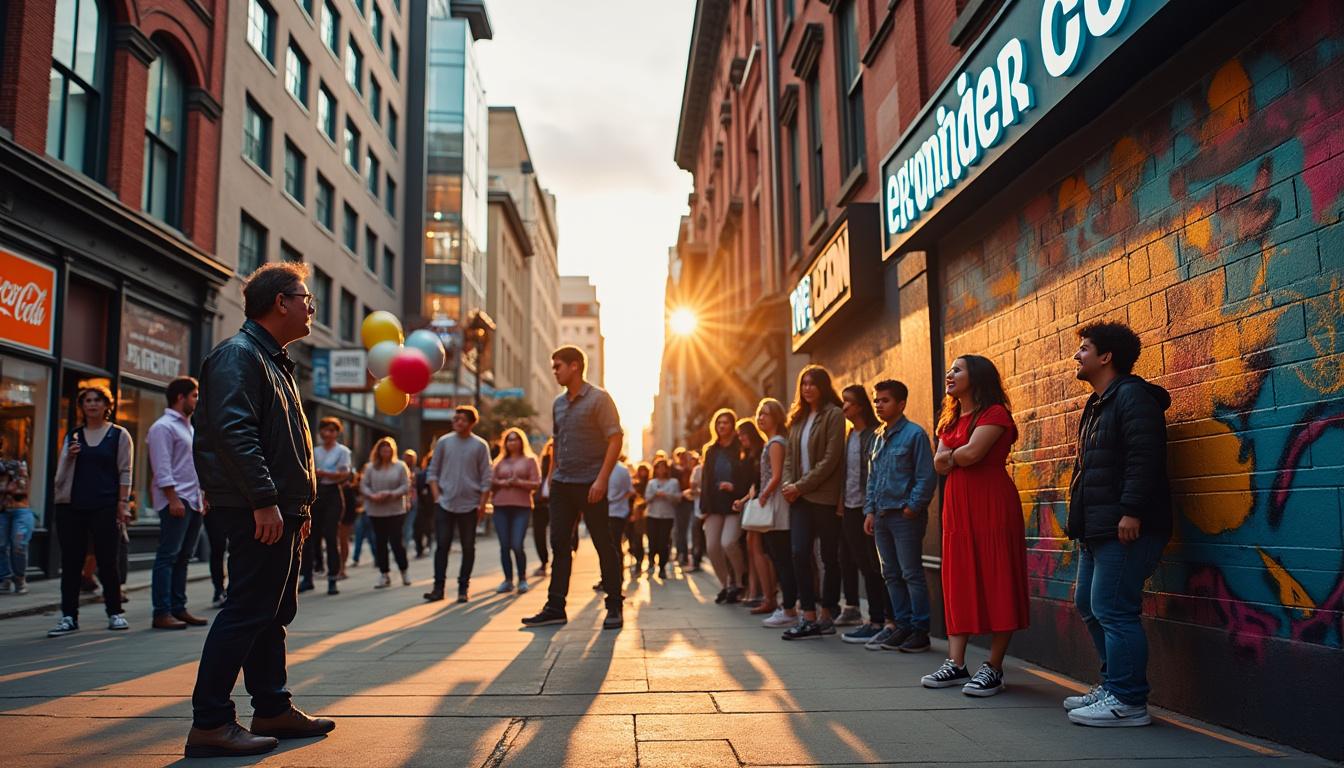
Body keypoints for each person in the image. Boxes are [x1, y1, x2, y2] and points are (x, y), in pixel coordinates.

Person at [187, 262, 333, 757]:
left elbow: (281, 442)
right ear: (280, 302)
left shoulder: (273, 359)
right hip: (255, 507)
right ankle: (210, 722)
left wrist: (296, 503)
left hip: (278, 507)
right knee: (248, 609)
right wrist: (266, 501)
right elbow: (235, 434)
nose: (310, 306)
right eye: (305, 297)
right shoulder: (239, 355)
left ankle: (271, 706)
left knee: (273, 611)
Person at [1065, 322, 1172, 727]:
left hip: (1125, 525)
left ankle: (1128, 701)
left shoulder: (1132, 398)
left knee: (1113, 607)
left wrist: (1131, 510)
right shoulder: (1098, 404)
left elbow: (1144, 458)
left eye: (1084, 349)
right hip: (1098, 528)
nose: (1077, 356)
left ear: (1106, 356)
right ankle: (1113, 686)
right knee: (1089, 606)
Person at [921, 355, 1029, 697]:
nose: (949, 374)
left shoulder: (995, 413)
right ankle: (956, 663)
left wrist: (954, 455)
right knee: (958, 579)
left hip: (992, 505)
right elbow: (942, 463)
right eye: (949, 369)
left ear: (977, 377)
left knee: (998, 577)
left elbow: (969, 456)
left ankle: (993, 667)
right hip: (956, 509)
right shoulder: (949, 419)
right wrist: (957, 453)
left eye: (957, 369)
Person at [522, 346, 625, 629]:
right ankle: (556, 606)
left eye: (558, 366)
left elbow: (615, 439)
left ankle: (614, 605)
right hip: (562, 485)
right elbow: (557, 442)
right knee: (559, 544)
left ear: (575, 366)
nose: (554, 371)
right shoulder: (558, 403)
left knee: (604, 543)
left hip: (591, 483)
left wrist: (602, 479)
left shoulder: (599, 399)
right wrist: (549, 480)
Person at [47, 383, 133, 637]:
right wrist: (68, 457)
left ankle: (115, 613)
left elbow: (125, 470)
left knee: (108, 562)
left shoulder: (118, 435)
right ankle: (68, 617)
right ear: (82, 407)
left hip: (106, 506)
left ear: (107, 405)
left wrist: (123, 503)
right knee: (71, 563)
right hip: (71, 507)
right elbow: (58, 478)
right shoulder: (72, 436)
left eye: (97, 400)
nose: (92, 404)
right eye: (87, 401)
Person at [862, 379, 937, 653]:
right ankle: (902, 626)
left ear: (901, 403)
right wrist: (869, 510)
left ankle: (920, 631)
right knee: (890, 574)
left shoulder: (914, 435)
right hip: (881, 516)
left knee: (911, 573)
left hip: (904, 518)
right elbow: (872, 478)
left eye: (885, 400)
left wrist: (912, 507)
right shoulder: (878, 436)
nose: (879, 405)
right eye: (876, 401)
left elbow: (926, 477)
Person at [780, 365, 846, 640]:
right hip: (799, 499)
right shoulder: (797, 418)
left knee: (829, 557)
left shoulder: (834, 414)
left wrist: (800, 485)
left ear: (823, 386)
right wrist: (787, 484)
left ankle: (827, 614)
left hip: (823, 497)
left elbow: (831, 459)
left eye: (813, 383)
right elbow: (788, 459)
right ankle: (807, 616)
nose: (807, 388)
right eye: (803, 384)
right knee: (798, 553)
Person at [148, 376, 209, 630]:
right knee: (168, 556)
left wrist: (202, 495)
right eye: (194, 395)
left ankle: (178, 607)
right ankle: (161, 612)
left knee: (184, 557)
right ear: (180, 397)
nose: (198, 399)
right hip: (176, 499)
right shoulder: (162, 427)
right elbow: (162, 467)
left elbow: (191, 466)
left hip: (192, 500)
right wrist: (172, 498)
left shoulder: (189, 427)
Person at [837, 385, 889, 644]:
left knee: (874, 565)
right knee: (861, 564)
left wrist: (871, 507)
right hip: (849, 507)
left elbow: (874, 475)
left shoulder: (872, 435)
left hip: (868, 509)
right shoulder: (849, 436)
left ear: (859, 406)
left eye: (848, 402)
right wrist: (841, 504)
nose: (843, 407)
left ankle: (881, 620)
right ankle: (875, 619)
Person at [424, 406, 492, 603]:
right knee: (442, 545)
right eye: (456, 419)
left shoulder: (480, 446)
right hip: (444, 503)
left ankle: (463, 588)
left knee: (468, 546)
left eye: (462, 419)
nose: (458, 422)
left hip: (470, 505)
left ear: (471, 423)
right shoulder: (444, 442)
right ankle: (438, 588)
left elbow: (486, 478)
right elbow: (432, 472)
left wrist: (482, 504)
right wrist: (437, 497)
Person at [753, 398, 797, 628]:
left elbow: (777, 475)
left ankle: (789, 609)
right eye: (759, 413)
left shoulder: (776, 443)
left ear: (777, 418)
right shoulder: (771, 442)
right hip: (774, 504)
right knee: (779, 558)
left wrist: (763, 495)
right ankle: (787, 605)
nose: (761, 418)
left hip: (778, 507)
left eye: (766, 414)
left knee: (782, 559)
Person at [701, 409, 751, 604]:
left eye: (726, 422)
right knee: (712, 547)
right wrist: (704, 508)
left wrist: (735, 488)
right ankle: (725, 584)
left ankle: (740, 582)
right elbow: (705, 481)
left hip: (734, 504)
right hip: (714, 506)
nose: (722, 426)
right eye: (719, 422)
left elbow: (748, 477)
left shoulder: (740, 448)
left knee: (728, 543)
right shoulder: (711, 450)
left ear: (733, 426)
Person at [303, 418, 351, 595]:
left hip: (333, 494)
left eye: (332, 430)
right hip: (315, 494)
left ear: (337, 433)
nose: (327, 433)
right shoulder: (314, 450)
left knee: (331, 537)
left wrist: (325, 473)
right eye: (324, 430)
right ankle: (307, 577)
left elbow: (344, 474)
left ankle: (332, 578)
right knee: (308, 537)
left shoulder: (342, 451)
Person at [490, 428, 540, 593]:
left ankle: (523, 579)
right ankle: (508, 580)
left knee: (517, 544)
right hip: (501, 507)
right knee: (504, 545)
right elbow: (490, 481)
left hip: (522, 507)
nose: (512, 442)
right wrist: (503, 483)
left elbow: (536, 483)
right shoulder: (499, 462)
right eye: (509, 440)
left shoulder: (530, 460)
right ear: (505, 443)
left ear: (521, 442)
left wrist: (519, 482)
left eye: (515, 439)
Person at [733, 418, 774, 615]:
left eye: (744, 434)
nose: (741, 438)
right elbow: (752, 487)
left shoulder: (763, 451)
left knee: (760, 550)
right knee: (752, 549)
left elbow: (761, 483)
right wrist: (742, 501)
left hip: (763, 503)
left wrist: (754, 497)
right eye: (739, 435)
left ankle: (766, 595)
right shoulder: (749, 455)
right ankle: (755, 592)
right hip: (755, 502)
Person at [360, 437, 412, 589]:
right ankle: (384, 574)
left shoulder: (400, 466)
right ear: (378, 451)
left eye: (389, 450)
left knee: (396, 542)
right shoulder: (370, 468)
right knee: (380, 543)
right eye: (383, 450)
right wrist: (372, 495)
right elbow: (364, 486)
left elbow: (405, 486)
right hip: (376, 510)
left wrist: (390, 494)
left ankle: (404, 570)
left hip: (395, 510)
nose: (386, 452)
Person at [0, 436, 33, 595]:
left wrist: (7, 485)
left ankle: (19, 578)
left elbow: (22, 491)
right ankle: (4, 578)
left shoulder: (18, 465)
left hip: (20, 510)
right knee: (0, 545)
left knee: (18, 544)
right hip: (2, 510)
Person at [644, 458, 679, 578]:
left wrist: (667, 495)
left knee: (663, 542)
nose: (661, 469)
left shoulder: (673, 482)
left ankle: (662, 567)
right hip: (652, 515)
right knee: (652, 541)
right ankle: (651, 562)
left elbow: (677, 498)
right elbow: (646, 498)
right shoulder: (651, 483)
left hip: (667, 516)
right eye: (659, 467)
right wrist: (655, 495)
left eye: (663, 467)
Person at [532, 440, 554, 576]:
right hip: (540, 503)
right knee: (538, 534)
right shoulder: (543, 461)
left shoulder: (564, 460)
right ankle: (543, 562)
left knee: (558, 535)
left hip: (557, 502)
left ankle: (557, 561)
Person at [628, 462, 650, 575]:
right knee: (637, 539)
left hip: (648, 515)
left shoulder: (650, 483)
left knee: (650, 539)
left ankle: (648, 560)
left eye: (644, 471)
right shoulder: (635, 484)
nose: (643, 473)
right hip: (637, 516)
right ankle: (638, 561)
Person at [411, 451, 434, 558]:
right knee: (426, 528)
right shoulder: (422, 475)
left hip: (424, 506)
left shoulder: (420, 475)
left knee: (420, 529)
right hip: (430, 506)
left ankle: (421, 549)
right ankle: (425, 547)